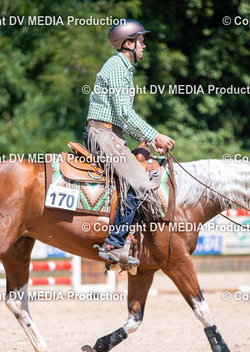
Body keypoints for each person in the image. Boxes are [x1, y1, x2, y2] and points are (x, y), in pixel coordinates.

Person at [84, 19, 175, 266]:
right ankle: (114, 244)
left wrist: (147, 140)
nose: (144, 45)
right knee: (140, 183)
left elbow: (121, 116)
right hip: (103, 134)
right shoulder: (117, 67)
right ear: (128, 44)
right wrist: (155, 135)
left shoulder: (123, 68)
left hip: (111, 134)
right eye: (140, 41)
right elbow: (124, 113)